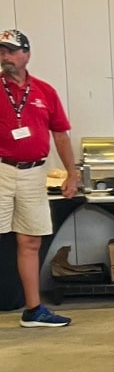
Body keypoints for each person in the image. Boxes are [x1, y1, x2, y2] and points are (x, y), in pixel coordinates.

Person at [0, 28, 78, 328]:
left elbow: (60, 134)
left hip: (34, 173)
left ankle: (34, 310)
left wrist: (72, 173)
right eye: (2, 52)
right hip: (3, 171)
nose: (5, 57)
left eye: (11, 51)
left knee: (30, 240)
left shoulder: (44, 92)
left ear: (26, 54)